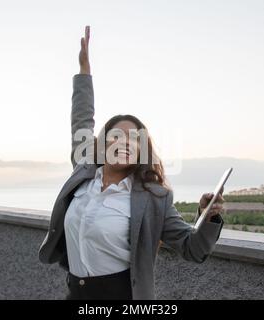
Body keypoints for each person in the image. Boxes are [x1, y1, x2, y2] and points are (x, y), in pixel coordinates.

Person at [38, 26, 225, 300]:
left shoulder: (153, 198)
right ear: (102, 144)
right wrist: (84, 71)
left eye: (134, 140)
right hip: (75, 293)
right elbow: (82, 118)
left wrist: (209, 217)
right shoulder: (84, 168)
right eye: (116, 136)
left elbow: (192, 248)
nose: (125, 143)